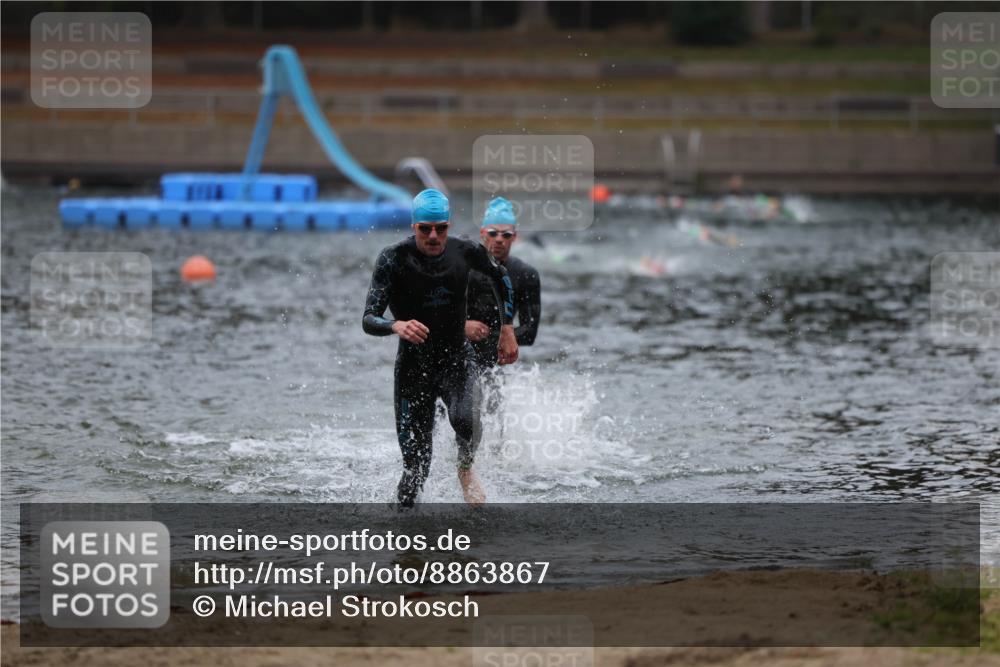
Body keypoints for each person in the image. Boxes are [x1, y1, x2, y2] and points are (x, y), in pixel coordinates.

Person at [362, 189, 518, 507]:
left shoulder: (466, 251)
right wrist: (396, 325)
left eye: (441, 228)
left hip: (455, 358)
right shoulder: (393, 258)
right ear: (414, 226)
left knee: (466, 420)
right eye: (425, 229)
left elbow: (502, 280)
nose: (434, 236)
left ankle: (465, 469)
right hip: (413, 367)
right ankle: (407, 548)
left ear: (448, 225)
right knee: (415, 471)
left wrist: (506, 328)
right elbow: (368, 318)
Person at [466, 197, 541, 370]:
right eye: (493, 233)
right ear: (482, 233)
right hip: (458, 350)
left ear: (514, 237)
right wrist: (461, 327)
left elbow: (529, 332)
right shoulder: (463, 268)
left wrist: (502, 335)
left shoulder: (525, 274)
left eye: (506, 234)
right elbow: (437, 314)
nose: (499, 239)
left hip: (495, 360)